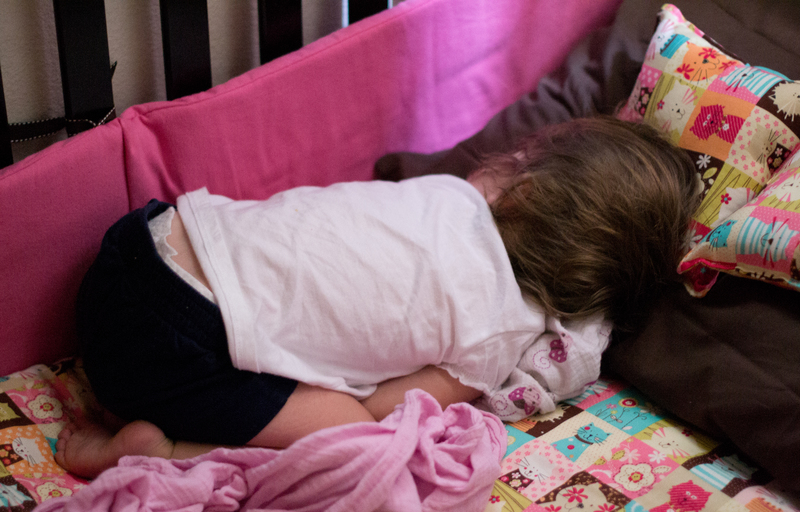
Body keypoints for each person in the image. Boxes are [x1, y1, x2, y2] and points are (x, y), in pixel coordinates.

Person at [55, 116, 697, 479]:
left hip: (134, 249)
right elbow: (387, 408)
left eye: (520, 158)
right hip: (168, 348)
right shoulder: (497, 337)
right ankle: (161, 454)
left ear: (522, 195)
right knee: (364, 436)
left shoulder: (448, 195)